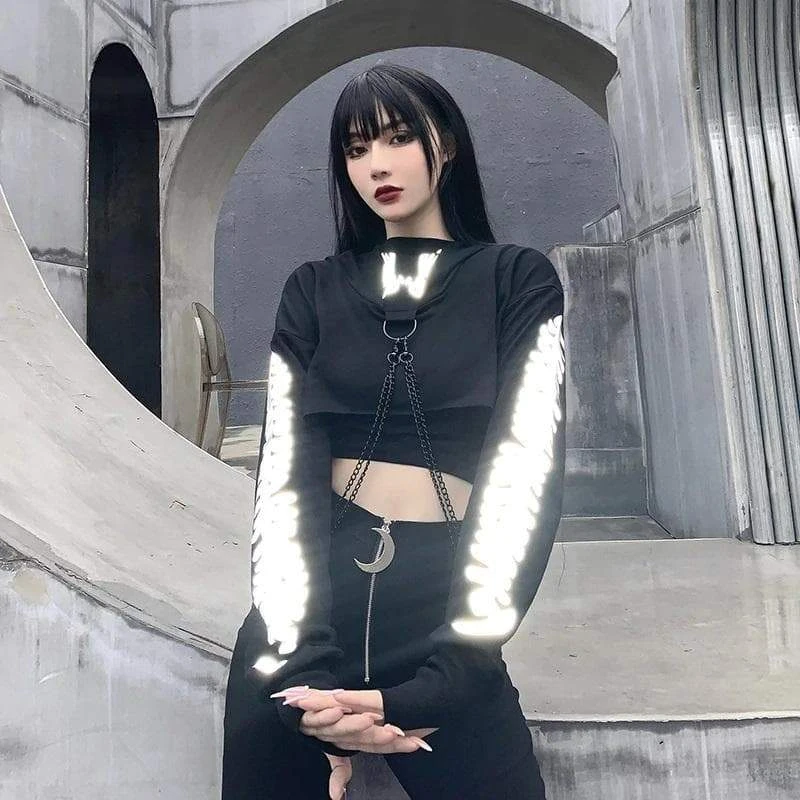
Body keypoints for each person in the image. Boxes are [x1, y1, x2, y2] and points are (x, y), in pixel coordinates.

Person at [221, 62, 566, 800]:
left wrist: (446, 679)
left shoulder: (516, 279)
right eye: (356, 149)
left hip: (443, 611)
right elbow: (284, 477)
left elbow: (525, 468)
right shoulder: (312, 289)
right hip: (307, 615)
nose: (376, 164)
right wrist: (305, 676)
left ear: (447, 144)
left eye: (399, 137)